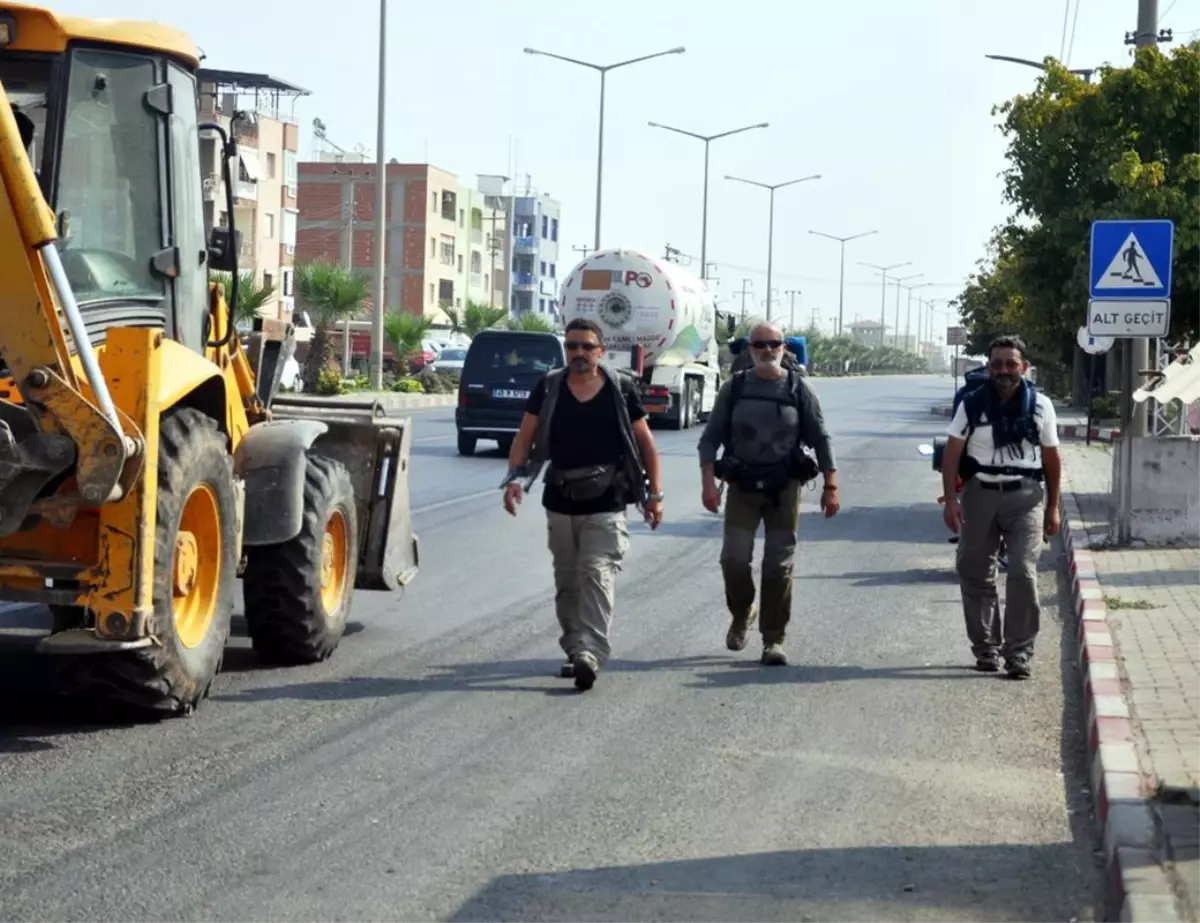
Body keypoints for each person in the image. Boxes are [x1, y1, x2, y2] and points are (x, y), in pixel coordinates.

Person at [502, 317, 663, 691]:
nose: (578, 353)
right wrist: (514, 480)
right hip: (559, 498)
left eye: (586, 347)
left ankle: (591, 651)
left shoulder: (620, 388)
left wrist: (654, 495)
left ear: (600, 350)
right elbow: (524, 437)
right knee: (568, 580)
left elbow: (646, 444)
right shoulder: (549, 387)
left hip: (607, 499)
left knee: (597, 572)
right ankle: (575, 649)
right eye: (572, 346)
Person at [697, 321, 839, 667]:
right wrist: (707, 486)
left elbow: (820, 438)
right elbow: (709, 439)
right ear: (750, 349)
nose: (766, 350)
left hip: (783, 490)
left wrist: (831, 487)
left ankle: (773, 639)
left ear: (784, 348)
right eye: (759, 344)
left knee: (778, 567)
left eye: (773, 343)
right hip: (742, 488)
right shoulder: (735, 388)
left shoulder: (797, 389)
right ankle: (742, 611)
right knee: (733, 560)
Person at [940, 335, 1062, 679]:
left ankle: (1019, 653)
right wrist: (952, 502)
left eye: (1011, 364)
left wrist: (1053, 508)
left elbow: (1052, 460)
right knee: (975, 570)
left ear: (1024, 367)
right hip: (980, 494)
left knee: (1023, 572)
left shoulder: (1040, 405)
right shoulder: (972, 404)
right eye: (997, 364)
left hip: (1026, 497)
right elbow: (951, 457)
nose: (1004, 370)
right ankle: (986, 649)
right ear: (988, 367)